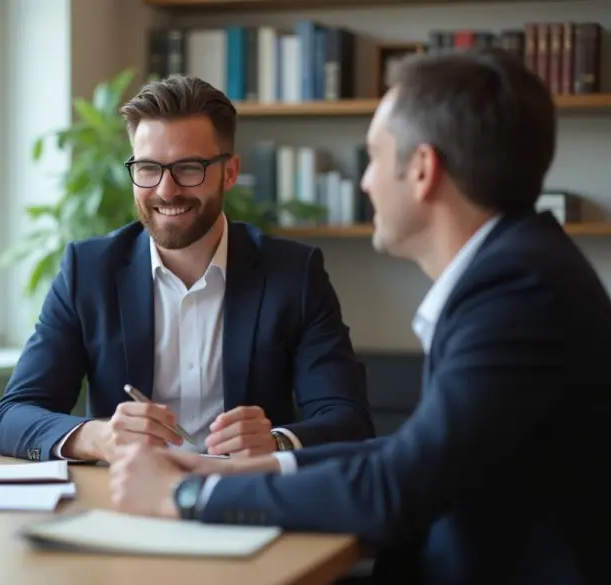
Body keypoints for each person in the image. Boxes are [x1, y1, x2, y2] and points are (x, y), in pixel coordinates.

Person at [106, 49, 606, 584]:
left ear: (421, 170)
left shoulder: (516, 293)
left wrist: (187, 493)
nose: (365, 182)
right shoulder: (520, 268)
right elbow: (416, 453)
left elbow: (396, 488)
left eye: (372, 157)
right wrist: (245, 466)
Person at [0, 75, 374, 464]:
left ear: (229, 172)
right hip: (124, 500)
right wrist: (100, 437)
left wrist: (277, 443)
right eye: (148, 168)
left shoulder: (294, 274)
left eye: (189, 168)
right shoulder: (88, 271)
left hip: (245, 499)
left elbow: (349, 420)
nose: (166, 190)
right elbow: (12, 416)